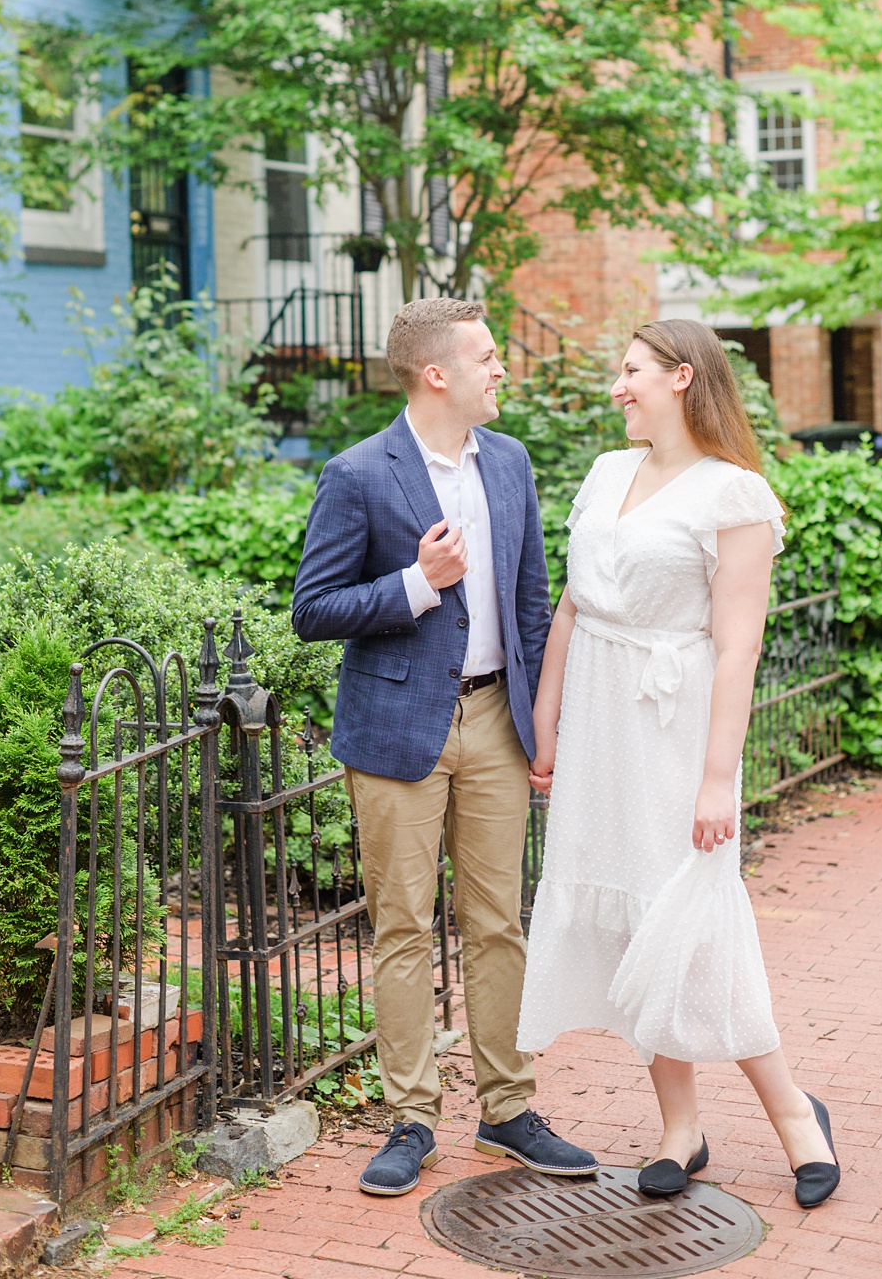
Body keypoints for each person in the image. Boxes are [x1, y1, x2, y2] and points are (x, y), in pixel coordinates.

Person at [515, 319, 841, 1210]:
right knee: (631, 923)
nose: (616, 388)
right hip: (596, 722)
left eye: (629, 372)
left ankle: (794, 1117)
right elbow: (574, 609)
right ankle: (680, 1130)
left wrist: (714, 778)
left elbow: (737, 650)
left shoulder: (732, 495)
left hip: (677, 723)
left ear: (681, 377)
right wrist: (545, 722)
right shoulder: (605, 474)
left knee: (692, 917)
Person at [292, 298, 599, 1196]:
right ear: (438, 374)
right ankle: (411, 1118)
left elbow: (534, 606)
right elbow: (313, 610)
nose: (502, 368)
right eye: (488, 356)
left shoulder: (509, 463)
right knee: (402, 928)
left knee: (499, 923)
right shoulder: (358, 474)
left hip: (499, 722)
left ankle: (507, 1111)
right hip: (396, 731)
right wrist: (415, 584)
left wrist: (548, 726)